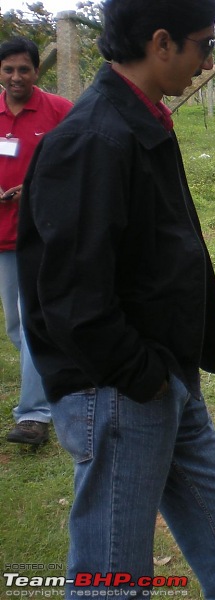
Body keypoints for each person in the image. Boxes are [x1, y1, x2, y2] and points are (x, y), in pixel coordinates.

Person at [16, 1, 215, 597]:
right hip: (119, 390)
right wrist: (142, 377)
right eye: (202, 46)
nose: (208, 62)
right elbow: (71, 299)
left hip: (164, 377)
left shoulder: (141, 120)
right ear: (162, 43)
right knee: (113, 574)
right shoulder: (93, 138)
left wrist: (167, 375)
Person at [0, 36, 72, 446]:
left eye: (23, 69)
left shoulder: (58, 112)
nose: (15, 77)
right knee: (15, 324)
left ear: (36, 71)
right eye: (8, 69)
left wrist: (38, 187)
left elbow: (77, 162)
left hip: (41, 235)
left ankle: (33, 416)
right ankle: (54, 374)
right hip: (2, 235)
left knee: (30, 323)